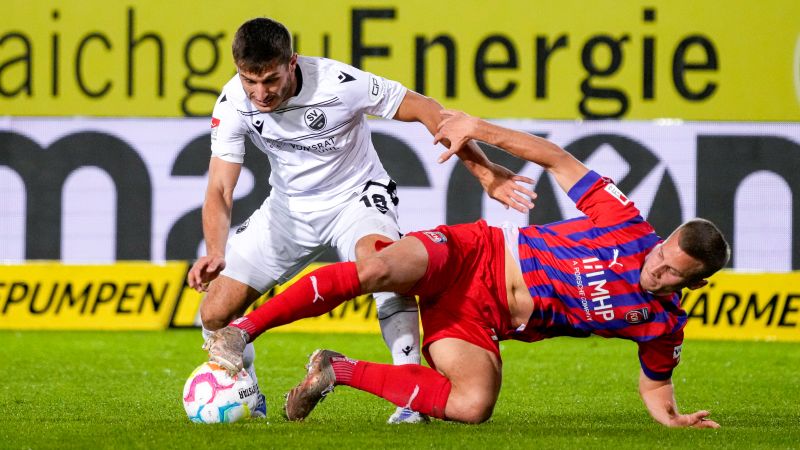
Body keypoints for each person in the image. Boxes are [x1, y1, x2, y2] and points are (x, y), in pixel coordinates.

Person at [204, 109, 729, 428]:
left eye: (670, 275)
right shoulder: (628, 226)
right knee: (378, 267)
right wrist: (479, 129)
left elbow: (656, 386)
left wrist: (674, 418)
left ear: (694, 283)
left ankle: (337, 371)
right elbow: (556, 159)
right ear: (662, 239)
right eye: (661, 255)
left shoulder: (662, 325)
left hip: (482, 320)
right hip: (474, 252)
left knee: (474, 405)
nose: (654, 269)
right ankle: (242, 330)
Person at [186, 18, 535, 423]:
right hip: (287, 210)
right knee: (213, 312)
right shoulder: (232, 103)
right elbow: (220, 189)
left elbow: (426, 109)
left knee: (384, 266)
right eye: (250, 81)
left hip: (356, 198)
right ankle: (249, 397)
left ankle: (410, 398)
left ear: (292, 63)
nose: (260, 93)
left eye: (270, 80)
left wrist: (485, 172)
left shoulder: (338, 82)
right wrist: (215, 251)